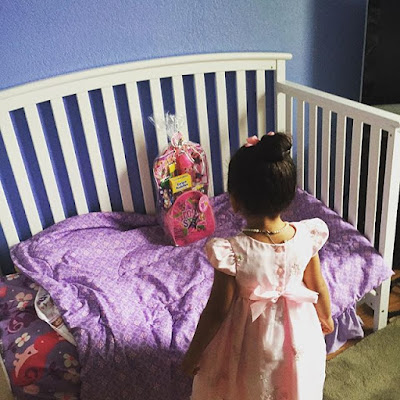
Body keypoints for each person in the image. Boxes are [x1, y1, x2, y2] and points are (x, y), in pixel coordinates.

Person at [181, 132, 334, 400]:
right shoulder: (306, 236)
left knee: (251, 386)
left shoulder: (233, 252)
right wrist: (326, 316)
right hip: (300, 334)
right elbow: (317, 285)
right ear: (290, 195)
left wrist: (194, 353)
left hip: (251, 343)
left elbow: (216, 311)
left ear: (235, 200)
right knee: (294, 380)